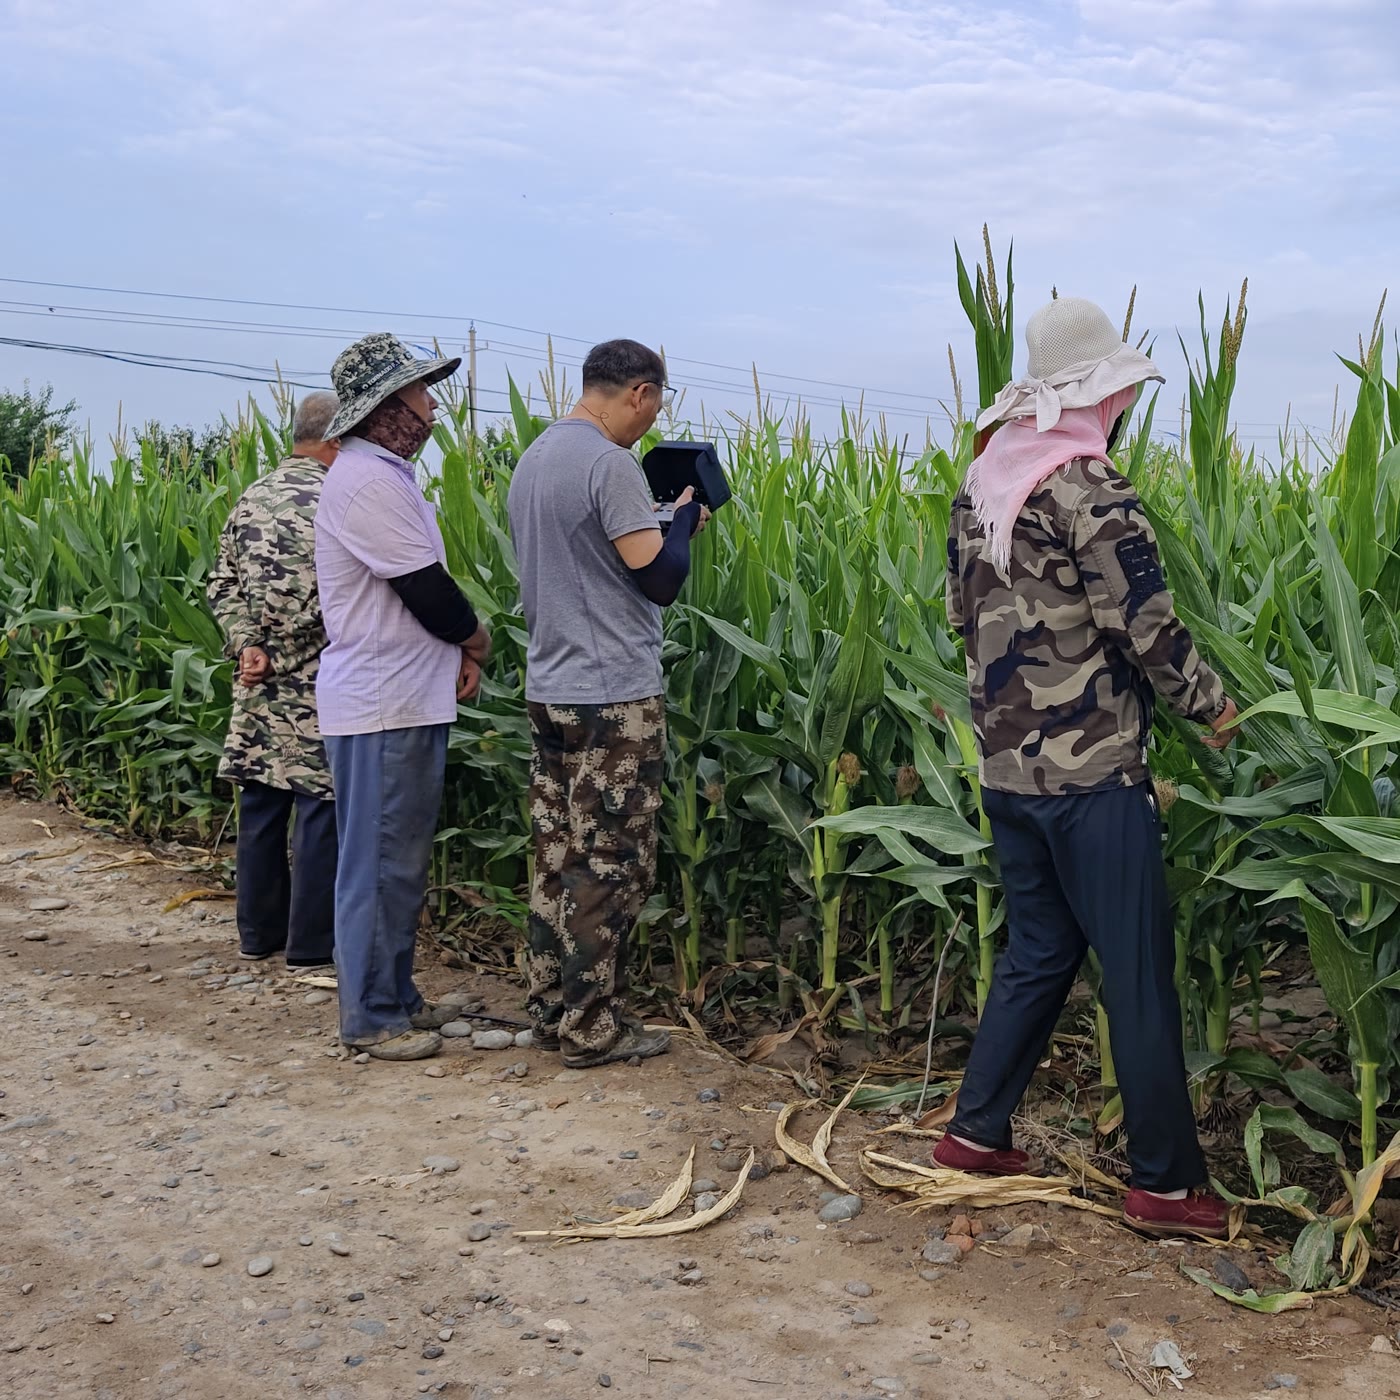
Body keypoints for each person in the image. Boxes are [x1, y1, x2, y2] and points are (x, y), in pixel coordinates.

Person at [938, 296, 1240, 1239]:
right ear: (1099, 395)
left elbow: (959, 617)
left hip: (1008, 773)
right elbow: (1143, 624)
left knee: (1038, 951)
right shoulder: (1088, 490)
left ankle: (977, 1133)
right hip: (1093, 775)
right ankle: (1164, 1184)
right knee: (1137, 974)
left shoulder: (985, 483)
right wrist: (1213, 707)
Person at [507, 339, 708, 1069]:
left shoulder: (536, 458)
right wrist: (682, 523)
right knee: (610, 860)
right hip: (611, 695)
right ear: (640, 392)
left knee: (557, 852)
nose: (650, 425)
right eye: (653, 407)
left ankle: (549, 1006)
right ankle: (592, 1028)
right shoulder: (608, 463)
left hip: (550, 686)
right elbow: (658, 578)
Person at [314, 333, 491, 1062]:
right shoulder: (369, 483)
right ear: (384, 408)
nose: (430, 406)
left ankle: (397, 997)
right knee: (381, 860)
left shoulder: (382, 474)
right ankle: (373, 1016)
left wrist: (452, 654)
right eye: (419, 394)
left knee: (396, 858)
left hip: (403, 697)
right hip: (384, 704)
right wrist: (474, 640)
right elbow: (426, 591)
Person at [208, 390, 342, 970]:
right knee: (319, 803)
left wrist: (249, 646)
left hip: (258, 678)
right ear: (338, 438)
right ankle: (312, 945)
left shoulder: (251, 496)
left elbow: (221, 584)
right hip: (318, 677)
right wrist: (287, 650)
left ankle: (258, 935)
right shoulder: (337, 499)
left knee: (261, 801)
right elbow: (333, 597)